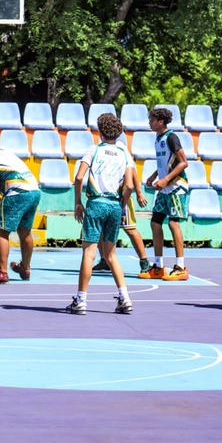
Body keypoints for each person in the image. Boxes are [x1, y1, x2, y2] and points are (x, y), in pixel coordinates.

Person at [66, 114, 134, 315]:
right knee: (111, 254)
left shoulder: (93, 150)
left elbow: (79, 177)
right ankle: (125, 297)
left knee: (89, 252)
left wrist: (78, 202)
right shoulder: (124, 153)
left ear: (99, 131)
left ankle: (81, 300)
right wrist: (121, 203)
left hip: (96, 202)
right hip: (115, 204)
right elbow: (129, 184)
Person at [0, 125, 41, 283]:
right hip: (33, 190)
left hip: (17, 193)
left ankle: (2, 272)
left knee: (2, 231)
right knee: (25, 232)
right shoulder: (5, 151)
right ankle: (25, 267)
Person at [93, 133, 152, 275]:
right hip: (107, 195)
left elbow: (132, 171)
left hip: (121, 195)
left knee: (130, 228)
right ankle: (104, 260)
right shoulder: (102, 149)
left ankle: (144, 261)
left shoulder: (120, 149)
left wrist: (139, 192)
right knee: (101, 228)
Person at [144, 107, 190, 281]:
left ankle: (180, 267)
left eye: (152, 119)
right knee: (156, 223)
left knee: (173, 223)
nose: (150, 122)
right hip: (164, 187)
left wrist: (166, 179)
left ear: (160, 121)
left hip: (177, 186)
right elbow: (165, 162)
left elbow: (183, 162)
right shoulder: (158, 138)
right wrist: (155, 175)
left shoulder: (172, 137)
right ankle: (158, 266)